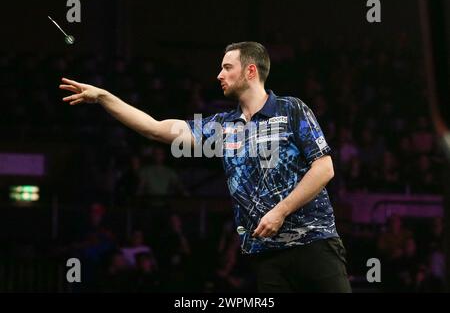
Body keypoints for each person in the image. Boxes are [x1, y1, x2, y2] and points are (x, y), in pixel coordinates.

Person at [60, 41, 351, 292]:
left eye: (227, 67)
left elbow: (324, 169)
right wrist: (104, 97)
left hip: (314, 243)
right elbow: (155, 129)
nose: (219, 75)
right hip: (267, 255)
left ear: (251, 71)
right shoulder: (222, 127)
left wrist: (280, 211)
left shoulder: (291, 109)